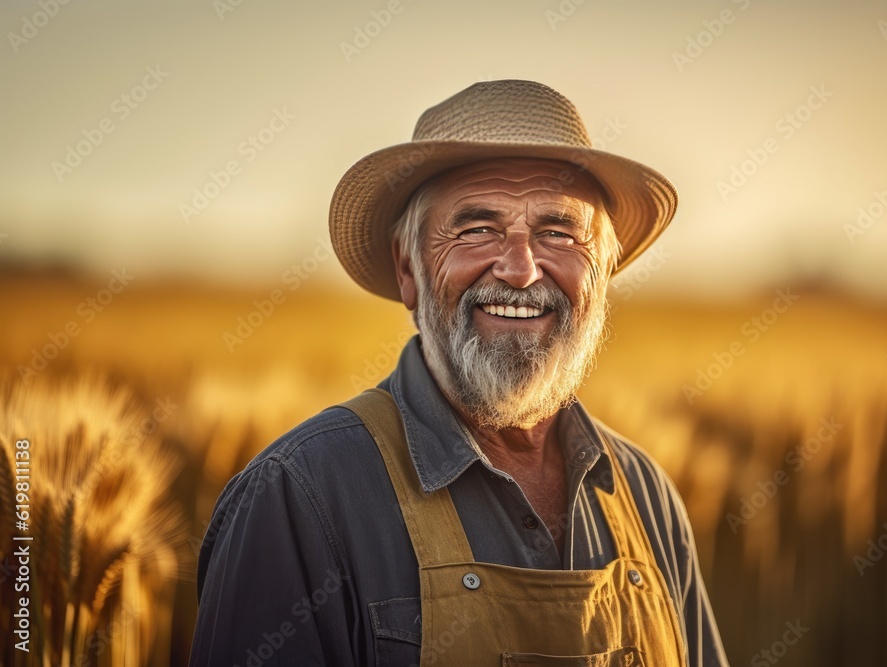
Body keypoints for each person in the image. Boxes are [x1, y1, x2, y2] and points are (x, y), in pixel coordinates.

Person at [191, 79, 729, 667]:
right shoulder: (300, 495)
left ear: (603, 270)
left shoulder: (647, 497)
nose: (521, 269)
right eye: (477, 229)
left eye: (559, 231)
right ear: (408, 268)